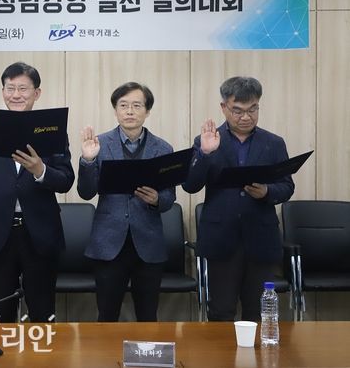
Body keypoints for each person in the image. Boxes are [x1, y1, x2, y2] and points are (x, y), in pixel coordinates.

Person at [0, 62, 75, 322]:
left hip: (40, 233)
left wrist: (41, 170)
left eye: (23, 88)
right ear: (3, 92)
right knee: (1, 313)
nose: (16, 94)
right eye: (10, 88)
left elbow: (66, 180)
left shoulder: (52, 128)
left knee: (43, 312)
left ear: (37, 93)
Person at [183, 76, 294, 321]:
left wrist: (267, 192)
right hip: (221, 238)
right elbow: (190, 185)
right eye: (238, 110)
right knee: (221, 311)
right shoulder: (206, 141)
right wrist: (205, 154)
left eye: (252, 109)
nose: (246, 117)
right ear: (223, 107)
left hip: (261, 238)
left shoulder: (273, 143)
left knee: (259, 312)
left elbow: (287, 187)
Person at [77, 82, 175, 322]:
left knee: (148, 316)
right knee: (107, 315)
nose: (130, 111)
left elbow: (169, 198)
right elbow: (86, 192)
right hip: (109, 244)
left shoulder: (163, 148)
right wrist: (88, 161)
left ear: (147, 111)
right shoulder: (98, 144)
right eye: (123, 105)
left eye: (137, 105)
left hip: (148, 244)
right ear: (115, 110)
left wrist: (156, 199)